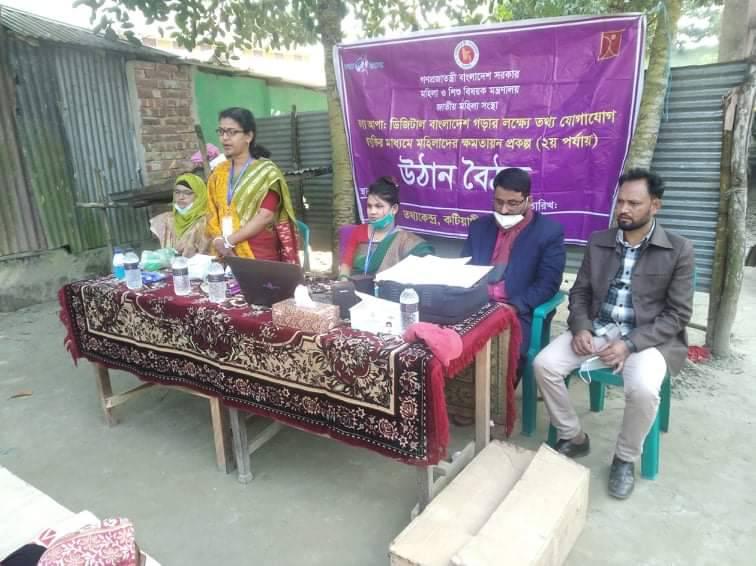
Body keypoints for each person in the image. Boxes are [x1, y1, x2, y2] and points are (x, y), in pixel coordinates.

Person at [533, 168, 695, 500]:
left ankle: (624, 458)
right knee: (544, 364)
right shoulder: (599, 241)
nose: (623, 209)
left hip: (646, 339)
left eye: (634, 203)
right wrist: (581, 326)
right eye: (620, 202)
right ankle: (573, 436)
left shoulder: (678, 249)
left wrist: (630, 344)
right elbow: (579, 292)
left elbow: (678, 314)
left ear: (655, 206)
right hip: (598, 327)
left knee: (644, 389)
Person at [462, 167, 565, 361]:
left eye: (513, 203)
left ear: (528, 201)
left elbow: (548, 284)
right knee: (445, 346)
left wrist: (515, 307)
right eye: (499, 202)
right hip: (475, 304)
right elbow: (465, 269)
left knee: (500, 357)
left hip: (518, 310)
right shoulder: (479, 227)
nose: (503, 210)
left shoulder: (548, 232)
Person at [206, 107, 299, 263]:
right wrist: (218, 240)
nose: (224, 138)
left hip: (258, 256)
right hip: (223, 253)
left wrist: (229, 241)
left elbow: (265, 215)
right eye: (221, 132)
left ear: (248, 136)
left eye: (232, 132)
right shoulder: (218, 173)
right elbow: (211, 212)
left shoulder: (266, 172)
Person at [338, 176, 433, 278]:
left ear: (394, 209)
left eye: (378, 206)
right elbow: (346, 264)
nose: (372, 212)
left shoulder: (405, 241)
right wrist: (343, 280)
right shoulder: (359, 231)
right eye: (369, 206)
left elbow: (425, 267)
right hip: (356, 285)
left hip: (389, 288)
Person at [149, 173, 209, 257]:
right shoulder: (165, 219)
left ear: (199, 196)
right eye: (177, 192)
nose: (181, 197)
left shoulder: (207, 222)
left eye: (188, 193)